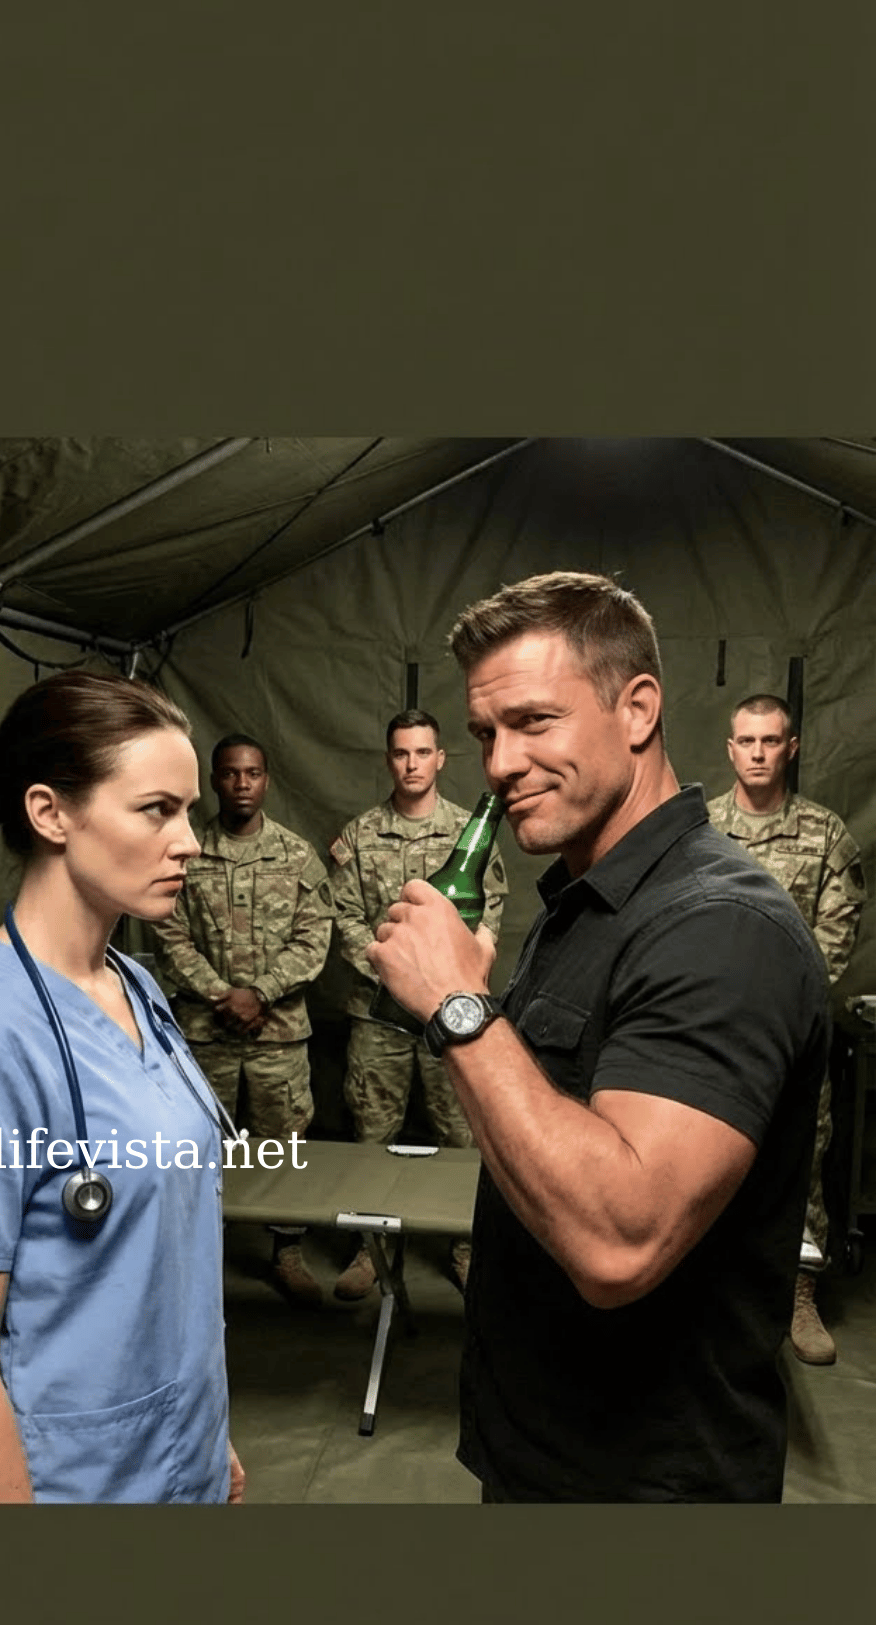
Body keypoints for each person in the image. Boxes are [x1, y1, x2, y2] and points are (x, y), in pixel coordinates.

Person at [367, 572, 830, 1503]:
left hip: (646, 1488)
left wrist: (459, 1007)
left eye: (534, 722)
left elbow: (621, 1241)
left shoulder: (720, 926)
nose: (500, 763)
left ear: (638, 710)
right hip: (541, 1455)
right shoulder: (587, 904)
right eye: (485, 734)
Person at [0, 669, 244, 1504]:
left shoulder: (135, 987)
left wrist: (206, 1435)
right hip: (68, 1487)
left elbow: (159, 1260)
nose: (189, 840)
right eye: (157, 809)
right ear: (50, 813)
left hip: (178, 1455)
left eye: (188, 810)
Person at [708, 694, 867, 1364]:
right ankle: (710, 1294)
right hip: (712, 1031)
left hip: (793, 1035)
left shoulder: (826, 834)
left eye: (770, 741)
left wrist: (775, 1006)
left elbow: (836, 934)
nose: (758, 753)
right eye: (746, 741)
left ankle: (799, 1292)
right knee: (707, 1157)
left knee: (801, 1158)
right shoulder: (701, 830)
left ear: (791, 748)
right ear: (730, 749)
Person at [328, 709, 506, 1300]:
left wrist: (443, 977)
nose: (412, 764)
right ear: (389, 759)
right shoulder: (360, 835)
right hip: (377, 1015)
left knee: (461, 1134)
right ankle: (370, 1249)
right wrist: (392, 968)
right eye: (402, 753)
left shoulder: (467, 834)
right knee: (372, 1134)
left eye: (422, 752)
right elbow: (343, 916)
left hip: (448, 1015)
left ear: (440, 759)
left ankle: (466, 1247)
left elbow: (491, 912)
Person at [152, 734, 334, 1304]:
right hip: (207, 1036)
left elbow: (314, 938)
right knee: (198, 1146)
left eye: (252, 773)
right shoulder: (185, 852)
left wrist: (260, 993)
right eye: (230, 773)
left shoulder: (296, 855)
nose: (241, 784)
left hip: (278, 1036)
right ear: (214, 781)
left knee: (285, 1148)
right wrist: (221, 996)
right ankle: (198, 1256)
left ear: (266, 780)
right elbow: (168, 934)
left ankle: (287, 1251)